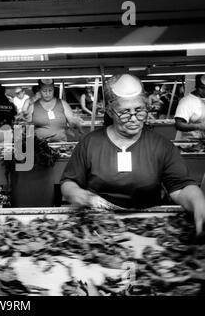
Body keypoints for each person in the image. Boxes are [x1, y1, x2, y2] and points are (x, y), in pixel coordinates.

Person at [60, 74, 205, 235]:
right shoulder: (90, 143)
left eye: (139, 111)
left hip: (149, 226)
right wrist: (79, 195)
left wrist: (197, 201)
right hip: (101, 225)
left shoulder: (160, 145)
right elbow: (69, 182)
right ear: (110, 111)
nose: (134, 119)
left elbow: (181, 188)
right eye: (124, 112)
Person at [174, 74, 205, 140]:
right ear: (196, 87)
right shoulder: (186, 101)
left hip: (201, 143)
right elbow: (178, 125)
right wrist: (198, 126)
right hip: (188, 143)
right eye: (202, 88)